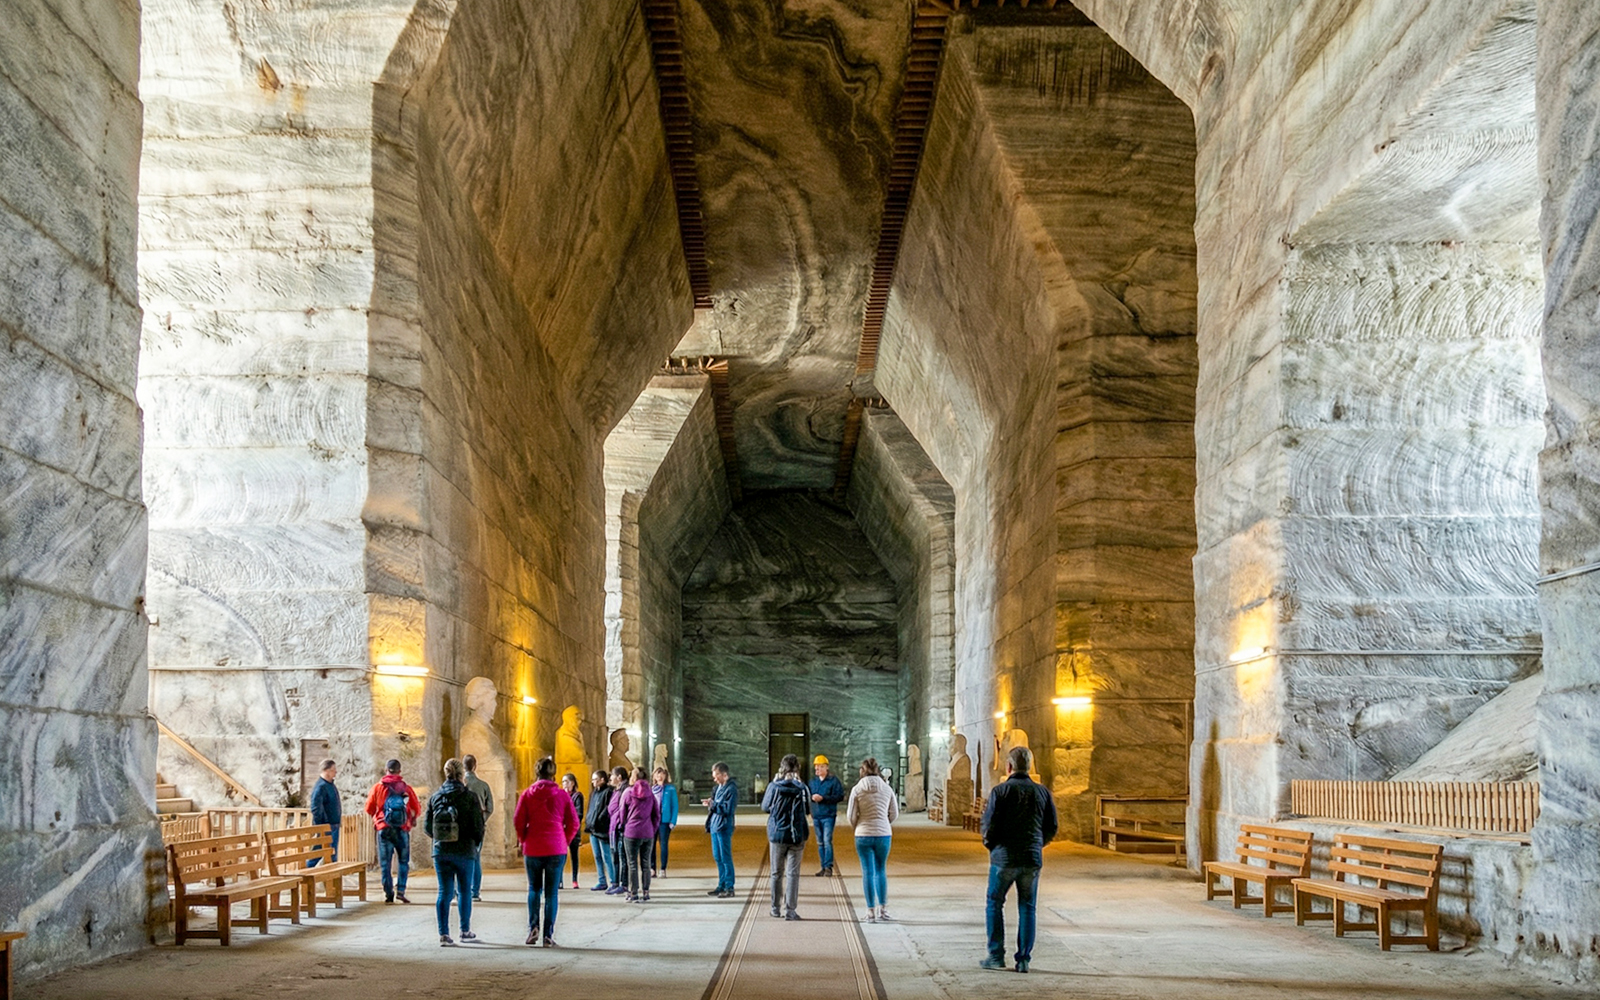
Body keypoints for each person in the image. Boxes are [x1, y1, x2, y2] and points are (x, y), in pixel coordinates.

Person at [978, 746, 1058, 974]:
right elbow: (1051, 826)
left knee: (994, 903)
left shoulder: (1000, 791)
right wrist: (1037, 844)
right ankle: (1023, 959)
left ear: (1009, 766)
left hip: (1004, 858)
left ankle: (995, 955)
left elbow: (989, 825)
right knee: (1027, 907)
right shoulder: (1042, 792)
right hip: (1031, 858)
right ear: (1030, 766)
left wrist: (991, 845)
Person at [513, 756, 580, 947]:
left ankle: (533, 926)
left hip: (533, 847)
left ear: (537, 772)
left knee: (534, 888)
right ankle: (548, 935)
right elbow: (574, 822)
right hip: (556, 848)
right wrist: (564, 840)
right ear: (554, 773)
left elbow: (518, 820)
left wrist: (523, 838)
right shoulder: (562, 795)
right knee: (551, 893)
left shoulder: (527, 794)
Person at [425, 757, 486, 946]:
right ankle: (464, 930)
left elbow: (428, 827)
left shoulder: (436, 797)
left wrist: (441, 840)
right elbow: (478, 826)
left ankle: (443, 934)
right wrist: (474, 844)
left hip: (441, 851)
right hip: (465, 850)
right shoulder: (470, 797)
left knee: (444, 892)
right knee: (465, 891)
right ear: (462, 775)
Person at [847, 756, 898, 923]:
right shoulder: (887, 788)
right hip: (884, 834)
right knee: (880, 870)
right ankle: (883, 909)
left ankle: (870, 912)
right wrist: (884, 822)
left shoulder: (857, 789)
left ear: (862, 770)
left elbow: (851, 815)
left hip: (863, 834)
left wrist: (858, 826)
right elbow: (894, 813)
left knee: (867, 872)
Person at [364, 758, 421, 904]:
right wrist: (409, 819)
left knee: (385, 863)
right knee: (403, 861)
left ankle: (388, 893)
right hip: (402, 829)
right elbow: (417, 808)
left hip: (384, 829)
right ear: (399, 771)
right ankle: (401, 890)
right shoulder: (406, 789)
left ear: (386, 770)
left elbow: (369, 808)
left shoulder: (378, 787)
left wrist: (378, 818)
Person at [761, 754, 810, 921]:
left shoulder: (774, 786)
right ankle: (790, 911)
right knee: (793, 874)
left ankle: (775, 908)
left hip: (777, 834)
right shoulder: (802, 788)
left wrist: (775, 783)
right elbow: (808, 809)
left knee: (776, 873)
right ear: (797, 769)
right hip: (797, 834)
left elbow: (765, 807)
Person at [617, 766, 661, 902]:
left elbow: (622, 813)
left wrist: (623, 826)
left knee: (632, 864)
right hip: (647, 833)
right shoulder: (651, 794)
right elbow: (656, 814)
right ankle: (646, 892)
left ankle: (633, 893)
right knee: (646, 863)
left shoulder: (628, 793)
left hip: (631, 832)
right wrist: (652, 829)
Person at [702, 762, 738, 898]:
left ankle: (729, 886)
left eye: (716, 775)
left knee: (725, 857)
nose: (714, 779)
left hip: (724, 826)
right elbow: (717, 805)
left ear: (724, 774)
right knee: (717, 857)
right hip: (715, 826)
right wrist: (712, 803)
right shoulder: (718, 788)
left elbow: (728, 809)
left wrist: (713, 805)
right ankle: (721, 884)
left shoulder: (731, 789)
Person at [462, 753, 494, 901]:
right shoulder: (483, 785)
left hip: (460, 826)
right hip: (478, 826)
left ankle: (460, 890)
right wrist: (482, 819)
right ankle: (475, 892)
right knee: (475, 858)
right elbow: (490, 807)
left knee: (460, 858)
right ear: (475, 766)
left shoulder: (461, 785)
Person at [808, 755, 844, 876]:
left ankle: (828, 867)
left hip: (828, 815)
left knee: (827, 840)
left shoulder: (834, 781)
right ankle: (823, 866)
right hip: (816, 816)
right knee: (820, 842)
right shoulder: (813, 782)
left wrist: (824, 798)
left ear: (826, 768)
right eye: (816, 767)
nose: (817, 769)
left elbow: (840, 796)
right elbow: (807, 796)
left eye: (820, 766)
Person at [584, 769, 615, 891]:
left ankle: (613, 881)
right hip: (593, 829)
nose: (593, 782)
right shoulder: (594, 793)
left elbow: (608, 809)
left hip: (602, 829)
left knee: (606, 856)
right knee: (597, 856)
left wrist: (600, 820)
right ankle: (602, 880)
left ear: (602, 780)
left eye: (595, 779)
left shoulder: (608, 792)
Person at [308, 758, 340, 867]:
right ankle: (307, 876)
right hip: (326, 827)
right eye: (333, 769)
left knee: (331, 854)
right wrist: (321, 825)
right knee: (318, 854)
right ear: (327, 771)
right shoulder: (321, 787)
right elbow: (315, 808)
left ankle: (330, 881)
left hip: (333, 825)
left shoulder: (330, 785)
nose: (335, 772)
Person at [605, 766, 630, 895]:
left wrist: (621, 822)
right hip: (613, 827)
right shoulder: (617, 790)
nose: (610, 779)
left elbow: (624, 809)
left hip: (620, 828)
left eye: (612, 776)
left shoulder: (625, 790)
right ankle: (615, 882)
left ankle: (624, 884)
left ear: (619, 777)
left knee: (622, 857)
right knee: (615, 856)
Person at [651, 766, 679, 876]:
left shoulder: (670, 789)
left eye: (662, 774)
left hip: (664, 821)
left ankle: (663, 868)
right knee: (651, 845)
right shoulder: (651, 789)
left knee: (663, 845)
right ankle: (652, 868)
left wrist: (673, 821)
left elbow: (674, 806)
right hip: (653, 821)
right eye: (658, 774)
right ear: (654, 776)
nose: (660, 776)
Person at [561, 772, 585, 889]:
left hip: (573, 831)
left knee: (574, 856)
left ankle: (574, 880)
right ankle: (559, 880)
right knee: (561, 857)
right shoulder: (560, 796)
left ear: (572, 783)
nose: (564, 784)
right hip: (561, 832)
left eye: (566, 781)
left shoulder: (577, 796)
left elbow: (578, 814)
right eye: (563, 782)